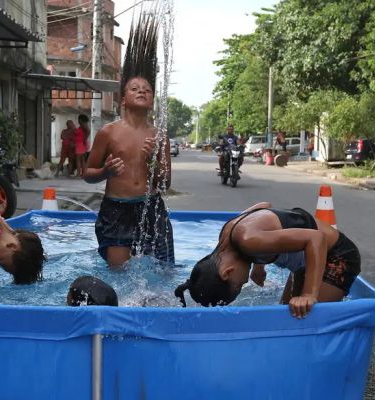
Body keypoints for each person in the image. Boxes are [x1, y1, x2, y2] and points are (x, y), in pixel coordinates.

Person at [83, 13, 174, 268]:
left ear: (152, 99)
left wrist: (152, 161)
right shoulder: (108, 133)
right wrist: (106, 170)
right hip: (116, 208)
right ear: (123, 100)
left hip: (151, 207)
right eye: (134, 88)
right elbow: (87, 173)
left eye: (146, 89)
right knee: (119, 275)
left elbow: (165, 183)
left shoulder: (159, 136)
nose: (142, 91)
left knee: (163, 272)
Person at [174, 202, 360, 319]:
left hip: (336, 256)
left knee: (304, 321)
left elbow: (316, 239)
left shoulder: (249, 241)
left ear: (227, 272)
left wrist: (309, 294)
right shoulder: (228, 233)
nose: (244, 282)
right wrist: (259, 264)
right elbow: (263, 206)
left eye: (238, 285)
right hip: (307, 262)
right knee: (286, 318)